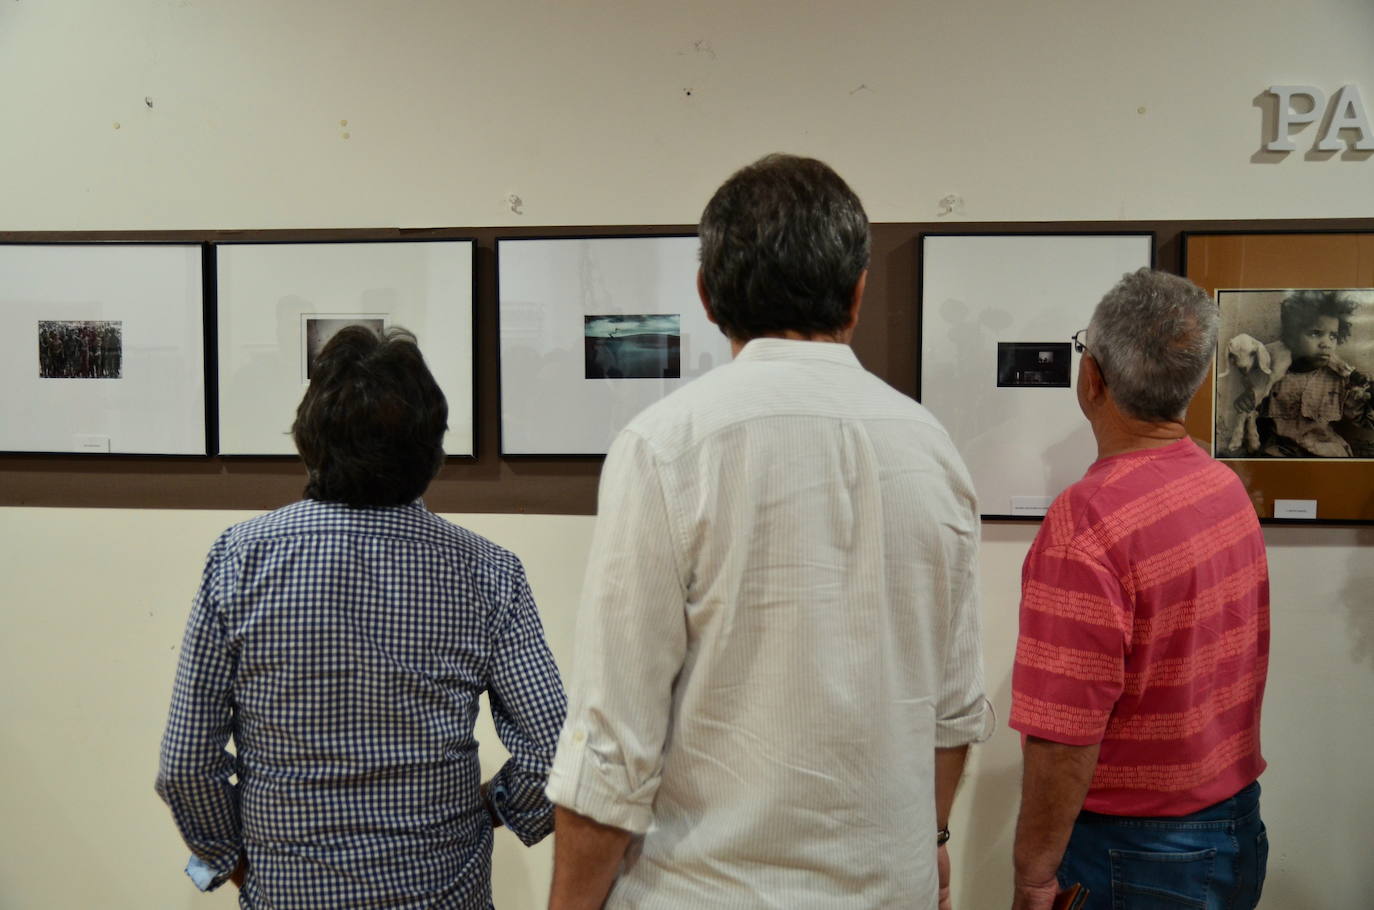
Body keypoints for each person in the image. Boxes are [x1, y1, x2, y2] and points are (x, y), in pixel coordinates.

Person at [545, 154, 992, 910]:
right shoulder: (932, 447)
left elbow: (612, 752)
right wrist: (934, 843)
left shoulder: (666, 446)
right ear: (856, 292)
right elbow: (952, 713)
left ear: (706, 296)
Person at [156, 326, 566, 909]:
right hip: (440, 892)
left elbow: (185, 766)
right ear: (433, 449)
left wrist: (232, 859)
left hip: (289, 892)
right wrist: (496, 808)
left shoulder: (240, 559)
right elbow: (554, 750)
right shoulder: (489, 572)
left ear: (309, 439)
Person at [1009, 269, 1270, 910]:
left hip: (1135, 854)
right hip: (1235, 825)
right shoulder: (1224, 487)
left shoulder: (1086, 520)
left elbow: (1064, 735)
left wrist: (1034, 877)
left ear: (1090, 378)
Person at [1255, 289, 1374, 457]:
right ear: (1293, 335)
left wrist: (1369, 393)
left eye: (1333, 336)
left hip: (1326, 453)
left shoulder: (1339, 379)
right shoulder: (1274, 373)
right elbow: (1253, 406)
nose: (1326, 344)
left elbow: (1364, 420)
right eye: (1315, 333)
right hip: (1280, 453)